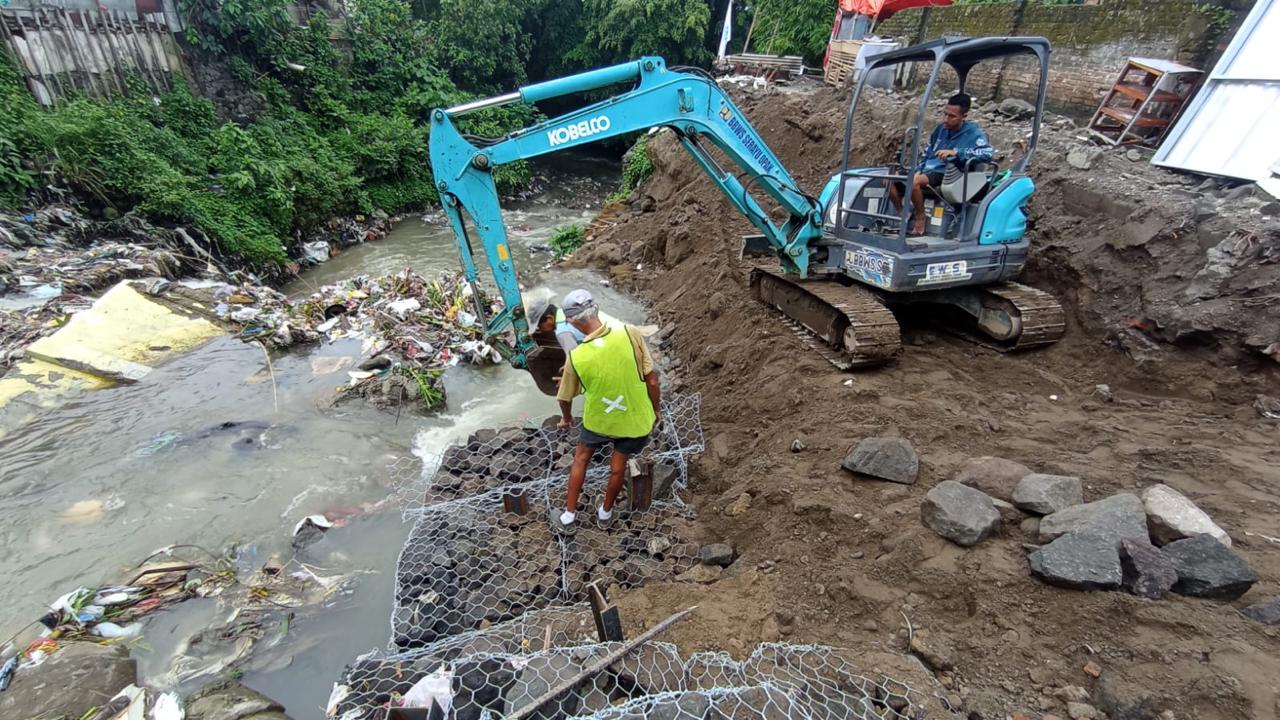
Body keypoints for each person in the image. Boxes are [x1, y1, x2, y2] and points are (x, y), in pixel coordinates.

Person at [551, 289, 660, 534]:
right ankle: (605, 513)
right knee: (618, 464)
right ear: (597, 309)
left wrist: (566, 419)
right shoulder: (630, 333)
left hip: (599, 422)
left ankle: (569, 516)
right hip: (635, 420)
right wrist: (655, 410)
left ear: (572, 322)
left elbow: (564, 397)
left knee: (581, 458)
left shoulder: (576, 357)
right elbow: (652, 380)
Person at [889, 93, 994, 236]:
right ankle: (903, 214)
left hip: (949, 172)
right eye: (945, 114)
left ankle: (921, 217)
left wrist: (956, 153)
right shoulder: (940, 130)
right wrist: (920, 168)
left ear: (964, 116)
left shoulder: (974, 134)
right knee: (889, 180)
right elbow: (928, 151)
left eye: (952, 116)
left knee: (914, 182)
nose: (946, 119)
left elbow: (987, 154)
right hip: (928, 169)